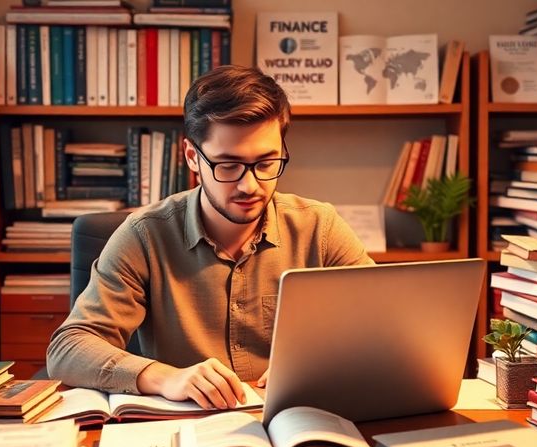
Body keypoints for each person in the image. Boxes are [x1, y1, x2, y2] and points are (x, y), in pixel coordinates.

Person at [46, 65, 373, 410]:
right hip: (188, 430)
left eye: (266, 163)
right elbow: (69, 347)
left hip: (297, 421)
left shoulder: (320, 228)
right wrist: (165, 377)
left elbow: (384, 326)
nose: (250, 185)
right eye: (228, 165)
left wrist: (320, 364)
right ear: (192, 158)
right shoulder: (143, 236)